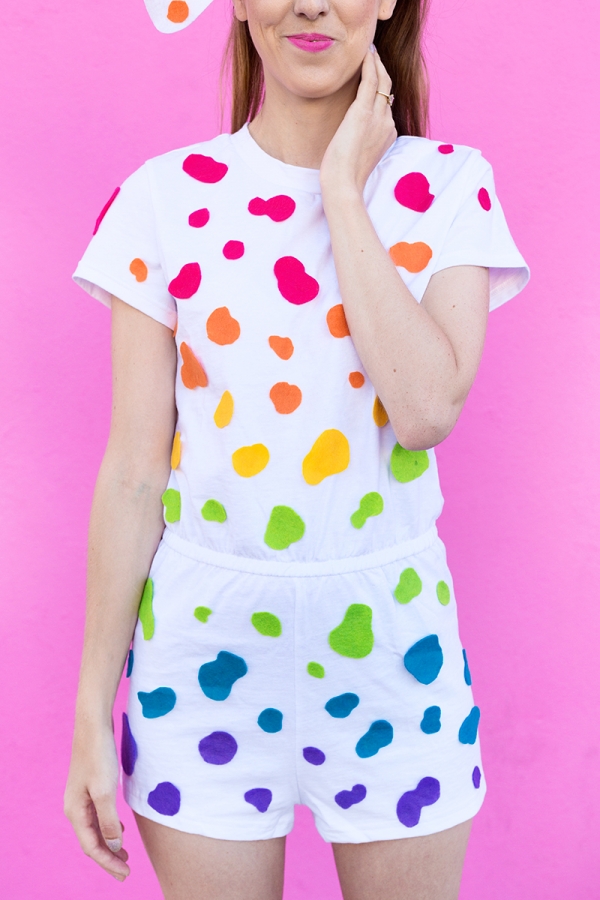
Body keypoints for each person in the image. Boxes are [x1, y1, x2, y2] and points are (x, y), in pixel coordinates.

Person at [64, 0, 529, 897]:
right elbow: (132, 471)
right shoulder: (163, 199)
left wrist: (343, 193)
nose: (311, 4)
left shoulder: (450, 186)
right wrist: (92, 706)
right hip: (201, 658)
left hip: (395, 648)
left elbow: (426, 408)